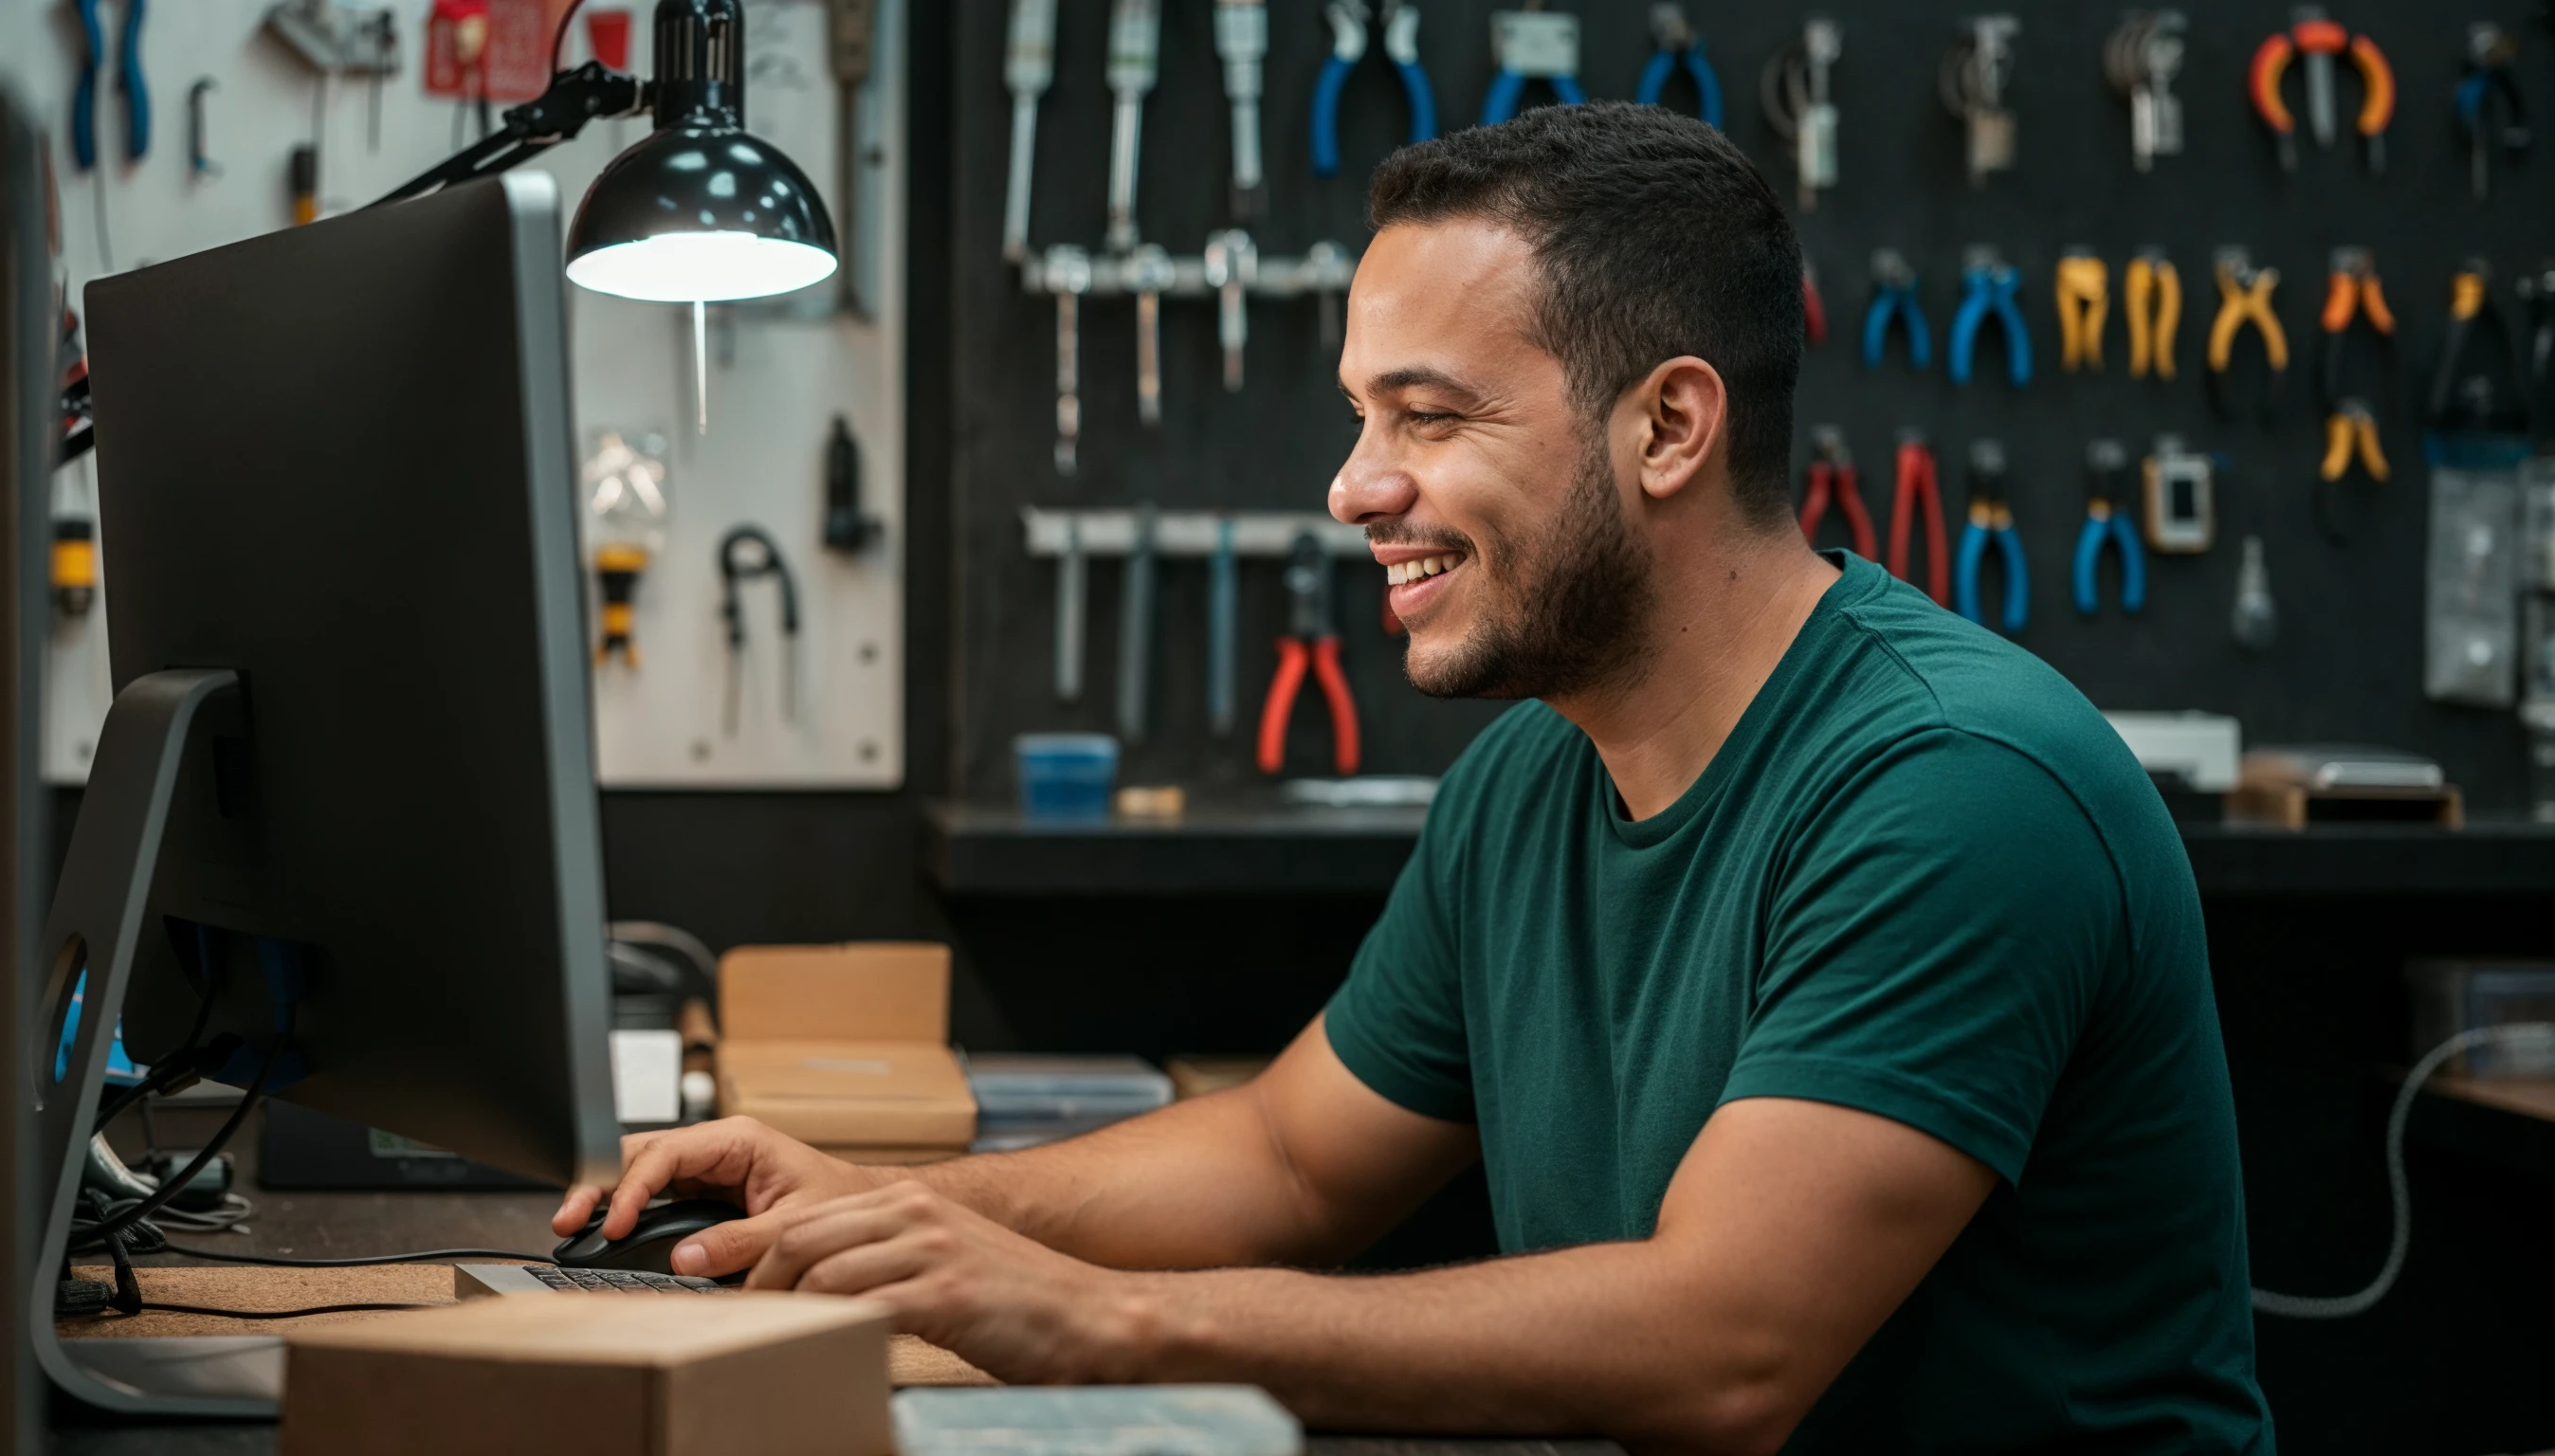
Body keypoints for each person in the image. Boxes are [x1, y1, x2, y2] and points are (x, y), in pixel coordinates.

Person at [556, 103, 2272, 1456]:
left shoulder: (1953, 791)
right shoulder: (1534, 775)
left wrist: (1093, 1317)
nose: (1353, 488)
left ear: (1670, 428)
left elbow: (1725, 1351)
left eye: (1429, 419)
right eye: (1363, 418)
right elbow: (1295, 1163)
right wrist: (883, 1213)